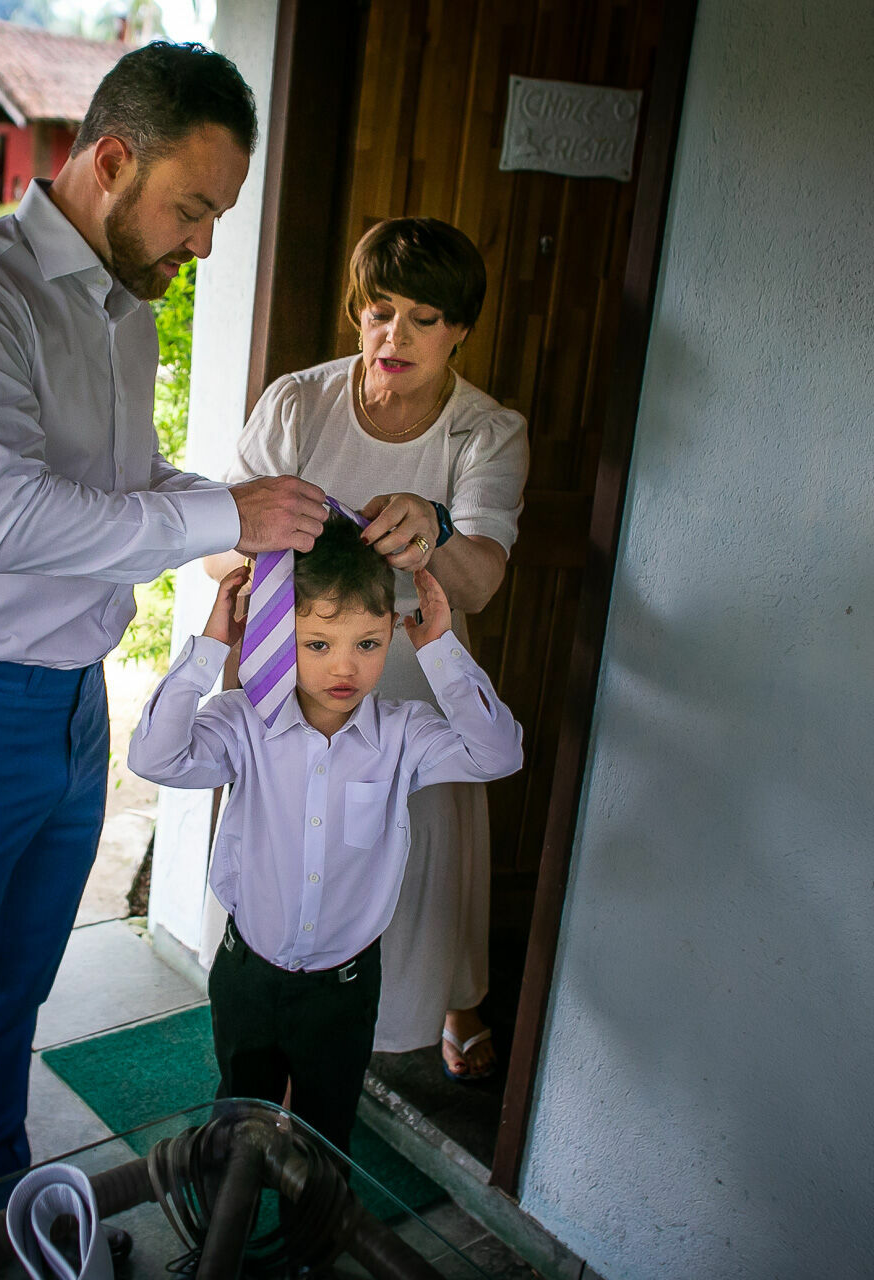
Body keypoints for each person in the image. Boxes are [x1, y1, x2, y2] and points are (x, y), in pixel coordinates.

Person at [0, 42, 331, 1239]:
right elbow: (8, 520)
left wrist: (244, 526)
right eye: (192, 208)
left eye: (217, 216)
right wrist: (220, 513)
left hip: (72, 711)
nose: (202, 243)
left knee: (9, 1007)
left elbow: (120, 477)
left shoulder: (123, 301)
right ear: (109, 160)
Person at [206, 218, 529, 1082]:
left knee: (424, 849)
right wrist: (268, 537)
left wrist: (437, 530)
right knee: (299, 842)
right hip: (301, 663)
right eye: (380, 312)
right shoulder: (297, 402)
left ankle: (438, 1004)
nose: (396, 337)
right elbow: (215, 543)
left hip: (417, 673)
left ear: (460, 329)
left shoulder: (485, 433)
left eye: (424, 318)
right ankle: (286, 1006)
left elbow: (483, 582)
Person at [132, 514, 523, 1151]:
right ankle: (221, 1245)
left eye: (367, 644)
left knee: (324, 1140)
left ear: (392, 632)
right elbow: (154, 756)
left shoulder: (403, 735)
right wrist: (212, 645)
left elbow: (498, 754)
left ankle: (306, 1252)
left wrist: (442, 651)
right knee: (237, 1127)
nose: (344, 668)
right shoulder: (244, 724)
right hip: (247, 973)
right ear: (278, 633)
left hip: (343, 989)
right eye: (317, 644)